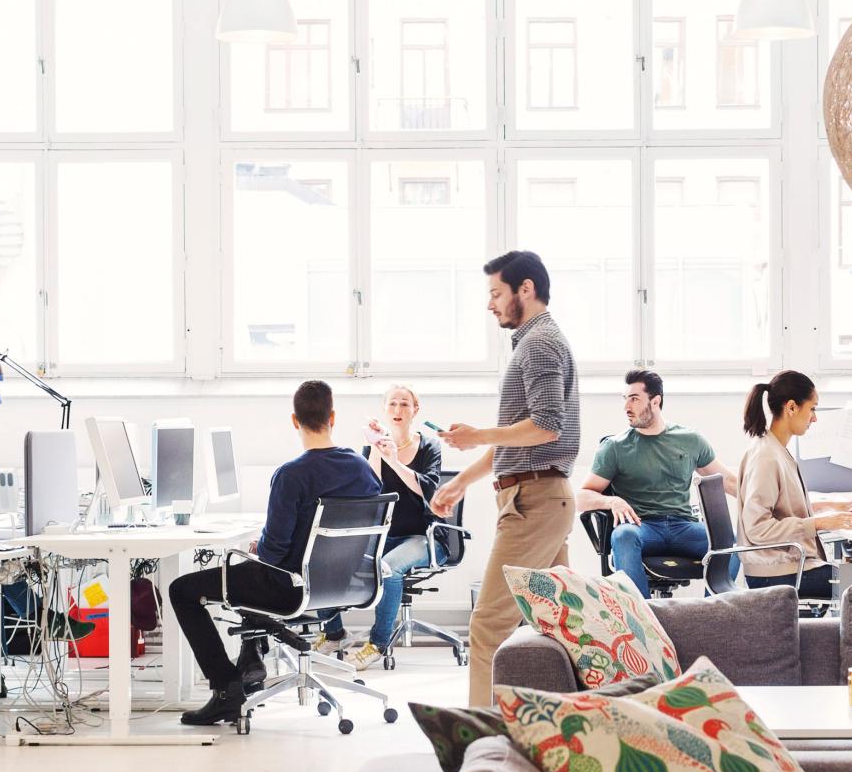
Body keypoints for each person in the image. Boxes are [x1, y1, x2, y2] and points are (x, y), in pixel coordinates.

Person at [168, 380, 383, 726]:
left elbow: (273, 553)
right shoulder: (361, 466)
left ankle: (226, 690)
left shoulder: (291, 475)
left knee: (183, 589)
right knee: (245, 579)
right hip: (344, 584)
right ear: (333, 416)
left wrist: (258, 548)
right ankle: (250, 660)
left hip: (290, 587)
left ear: (295, 421)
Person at [430, 250, 580, 707]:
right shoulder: (532, 342)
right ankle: (563, 720)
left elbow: (547, 424)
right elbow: (521, 437)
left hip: (533, 503)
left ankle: (481, 737)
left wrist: (477, 435)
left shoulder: (539, 344)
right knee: (560, 622)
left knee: (488, 625)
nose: (490, 304)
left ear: (526, 289)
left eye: (496, 293)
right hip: (538, 496)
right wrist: (462, 482)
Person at [577, 369, 737, 597]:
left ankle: (712, 613)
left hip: (683, 526)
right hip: (643, 528)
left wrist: (769, 503)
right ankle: (643, 621)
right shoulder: (615, 447)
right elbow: (582, 497)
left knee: (729, 540)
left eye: (634, 399)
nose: (626, 407)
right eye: (625, 400)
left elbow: (729, 482)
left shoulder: (690, 440)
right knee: (622, 536)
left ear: (655, 401)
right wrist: (612, 501)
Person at [329, 384, 446, 670]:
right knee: (328, 558)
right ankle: (333, 633)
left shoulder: (430, 446)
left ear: (415, 411)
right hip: (384, 536)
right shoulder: (375, 447)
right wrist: (378, 450)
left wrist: (395, 460)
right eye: (392, 404)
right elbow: (370, 491)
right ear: (384, 409)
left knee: (387, 568)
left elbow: (427, 491)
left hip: (424, 537)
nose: (397, 410)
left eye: (405, 404)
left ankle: (378, 643)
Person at [737, 371, 852, 601]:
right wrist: (819, 523)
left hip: (787, 566)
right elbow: (757, 528)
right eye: (812, 408)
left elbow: (783, 505)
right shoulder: (767, 457)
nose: (814, 418)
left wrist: (828, 505)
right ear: (791, 407)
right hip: (775, 573)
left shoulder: (775, 449)